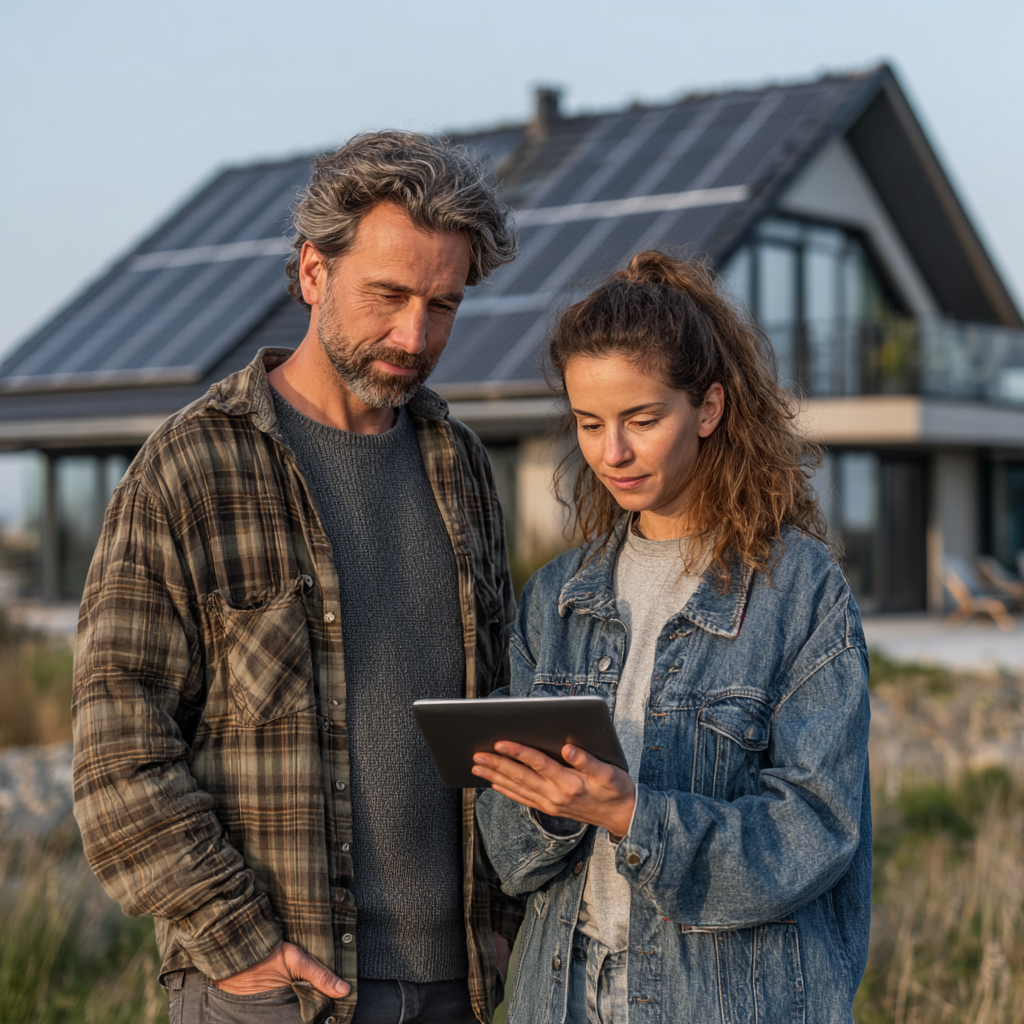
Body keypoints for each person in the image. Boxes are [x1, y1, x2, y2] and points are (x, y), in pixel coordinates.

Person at [72, 131, 522, 1024]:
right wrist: (237, 945)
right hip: (275, 991)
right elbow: (115, 750)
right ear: (313, 272)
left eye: (443, 304)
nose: (415, 335)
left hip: (458, 989)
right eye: (388, 295)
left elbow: (497, 712)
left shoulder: (462, 467)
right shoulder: (189, 469)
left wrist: (503, 927)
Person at [474, 251, 871, 1024]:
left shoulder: (801, 591)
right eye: (589, 424)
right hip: (561, 993)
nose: (611, 452)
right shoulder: (557, 598)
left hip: (729, 1002)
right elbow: (510, 859)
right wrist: (551, 809)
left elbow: (816, 831)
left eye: (641, 420)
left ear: (710, 409)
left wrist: (632, 815)